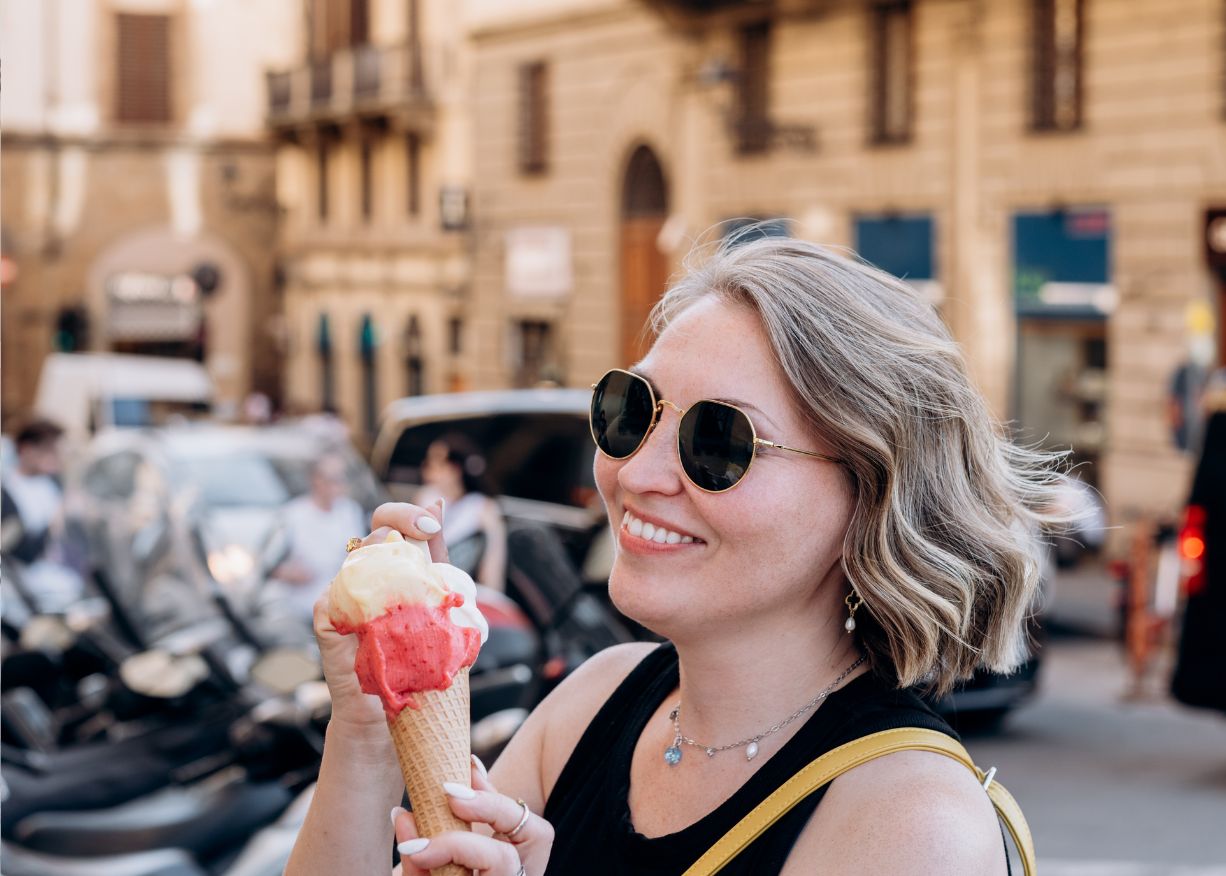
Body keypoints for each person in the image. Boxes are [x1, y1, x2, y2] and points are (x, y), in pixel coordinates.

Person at [288, 235, 1067, 875]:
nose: (635, 473)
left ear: (871, 495)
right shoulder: (593, 700)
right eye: (631, 410)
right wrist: (365, 726)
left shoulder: (911, 824)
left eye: (716, 441)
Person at [271, 453, 369, 620]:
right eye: (330, 479)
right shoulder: (293, 514)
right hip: (300, 607)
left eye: (340, 479)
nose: (335, 485)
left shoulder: (349, 511)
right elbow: (271, 564)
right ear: (315, 479)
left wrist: (353, 554)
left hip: (339, 604)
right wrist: (289, 573)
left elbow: (354, 546)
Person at [0, 418, 84, 609]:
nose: (57, 457)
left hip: (70, 580)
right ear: (26, 449)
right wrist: (58, 520)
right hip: (31, 590)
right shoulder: (7, 493)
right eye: (50, 450)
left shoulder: (55, 484)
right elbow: (21, 552)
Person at [413, 435, 507, 592]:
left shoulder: (482, 507)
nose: (427, 470)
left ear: (455, 469)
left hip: (460, 589)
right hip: (424, 583)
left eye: (435, 464)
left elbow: (492, 566)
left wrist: (491, 595)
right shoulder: (425, 497)